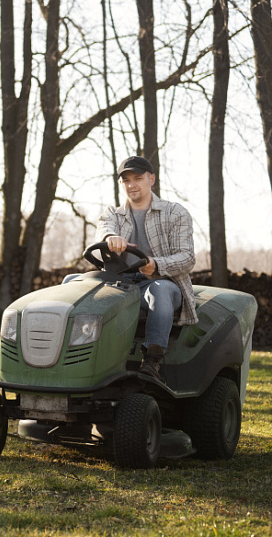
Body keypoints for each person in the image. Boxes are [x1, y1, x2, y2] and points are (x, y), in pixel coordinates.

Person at [97, 155, 197, 382]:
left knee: (159, 291)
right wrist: (111, 237)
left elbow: (187, 257)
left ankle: (152, 359)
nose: (132, 184)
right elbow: (104, 228)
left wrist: (157, 265)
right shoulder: (113, 214)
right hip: (121, 285)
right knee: (72, 283)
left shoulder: (175, 213)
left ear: (151, 179)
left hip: (162, 282)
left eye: (138, 178)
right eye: (126, 180)